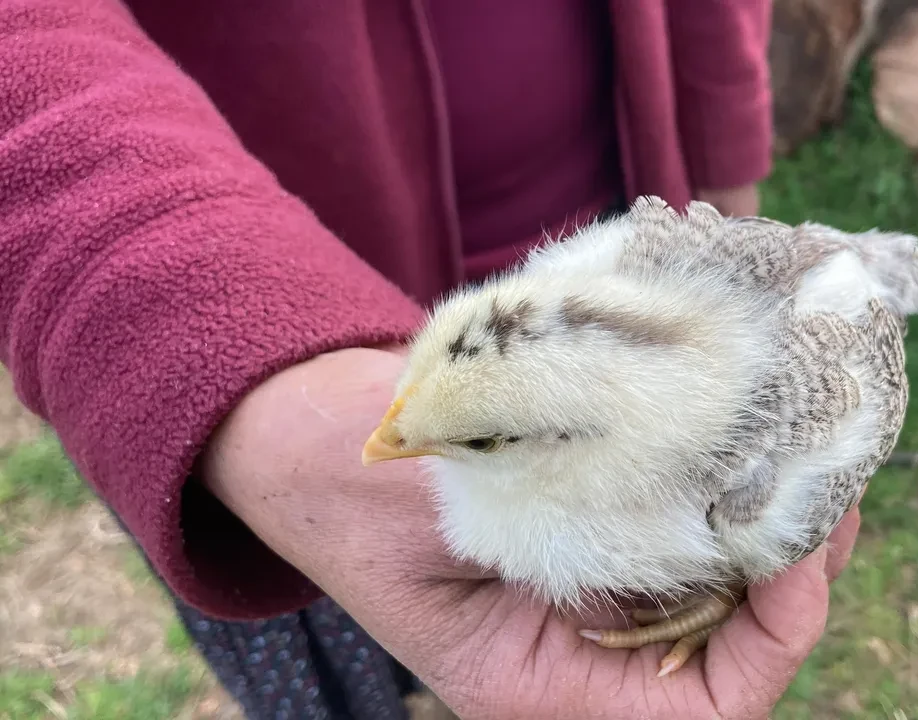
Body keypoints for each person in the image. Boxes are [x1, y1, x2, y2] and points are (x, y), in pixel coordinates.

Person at [0, 1, 862, 718]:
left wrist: (723, 161)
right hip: (266, 294)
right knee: (326, 644)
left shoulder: (739, 461)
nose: (381, 442)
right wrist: (249, 380)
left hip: (614, 219)